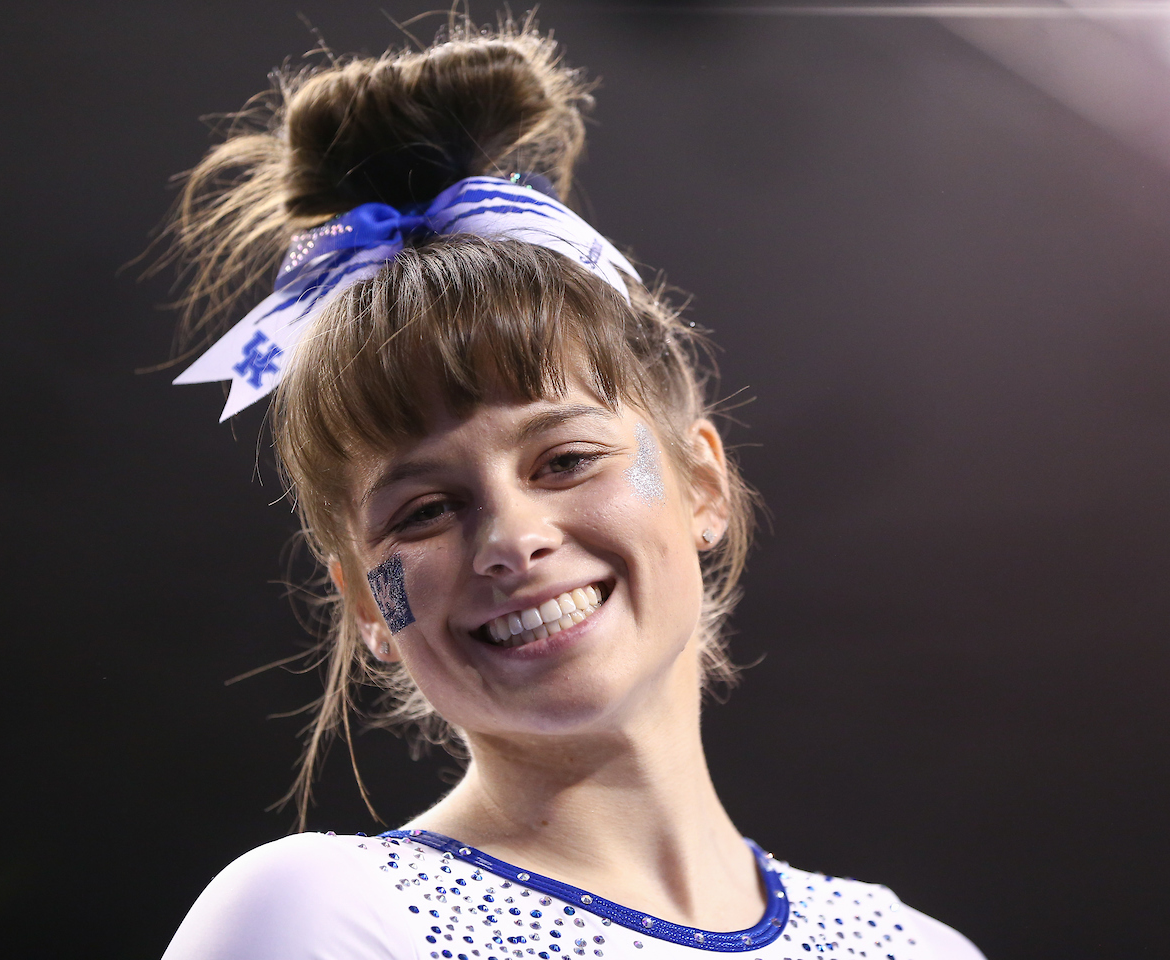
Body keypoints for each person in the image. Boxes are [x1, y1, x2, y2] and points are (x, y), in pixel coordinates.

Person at [159, 15, 986, 960]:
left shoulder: (916, 949)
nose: (512, 538)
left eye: (564, 460)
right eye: (424, 511)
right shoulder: (323, 915)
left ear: (703, 482)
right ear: (366, 608)